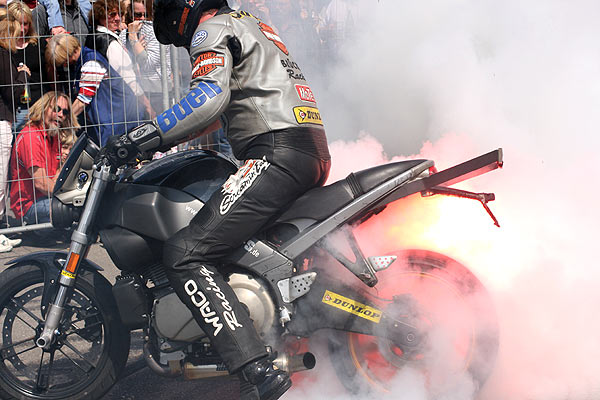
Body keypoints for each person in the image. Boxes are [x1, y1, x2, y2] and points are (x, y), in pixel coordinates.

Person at [98, 0, 331, 398]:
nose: (177, 32)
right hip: (304, 149)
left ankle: (256, 369)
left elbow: (207, 98)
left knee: (185, 253)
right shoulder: (250, 23)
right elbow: (210, 113)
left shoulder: (212, 28)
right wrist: (159, 139)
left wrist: (141, 137)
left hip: (276, 154)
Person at [46, 34, 145, 145]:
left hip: (120, 119)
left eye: (63, 61)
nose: (64, 65)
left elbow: (83, 100)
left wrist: (64, 120)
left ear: (68, 54)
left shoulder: (91, 64)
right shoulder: (86, 59)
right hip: (114, 118)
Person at [9, 91, 78, 225]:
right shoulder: (31, 136)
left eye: (65, 112)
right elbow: (41, 183)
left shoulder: (53, 136)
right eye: (56, 109)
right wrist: (68, 196)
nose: (61, 115)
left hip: (47, 197)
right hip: (30, 205)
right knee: (74, 210)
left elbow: (58, 174)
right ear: (43, 108)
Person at [86, 0, 153, 118]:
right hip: (120, 104)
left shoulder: (93, 36)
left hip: (105, 102)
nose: (117, 18)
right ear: (100, 16)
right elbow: (128, 78)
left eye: (120, 14)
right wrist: (147, 105)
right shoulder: (110, 43)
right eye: (112, 15)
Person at [0, 10, 29, 251]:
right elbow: (12, 91)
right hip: (2, 122)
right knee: (0, 180)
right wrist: (22, 74)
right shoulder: (3, 55)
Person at [119, 0, 172, 115]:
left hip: (158, 91)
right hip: (134, 91)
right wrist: (139, 48)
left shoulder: (157, 32)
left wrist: (133, 39)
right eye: (138, 15)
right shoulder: (124, 34)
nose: (142, 19)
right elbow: (122, 63)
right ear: (131, 14)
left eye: (146, 15)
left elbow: (147, 64)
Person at [8, 1, 48, 133]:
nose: (22, 29)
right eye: (18, 24)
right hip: (14, 110)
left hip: (39, 107)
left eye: (25, 24)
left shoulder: (39, 44)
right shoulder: (4, 48)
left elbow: (50, 75)